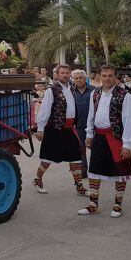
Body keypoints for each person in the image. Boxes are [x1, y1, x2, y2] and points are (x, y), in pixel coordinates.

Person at [81, 64, 131, 218]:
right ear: (99, 76)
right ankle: (93, 204)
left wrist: (127, 144)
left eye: (110, 75)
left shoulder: (125, 95)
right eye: (104, 75)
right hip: (98, 137)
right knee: (94, 170)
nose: (107, 79)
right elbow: (91, 115)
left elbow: (129, 121)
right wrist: (89, 134)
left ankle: (118, 205)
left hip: (116, 138)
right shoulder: (95, 94)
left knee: (120, 172)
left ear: (116, 77)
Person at [32, 64, 86, 196]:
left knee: (76, 158)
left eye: (67, 73)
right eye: (62, 73)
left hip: (69, 129)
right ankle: (37, 180)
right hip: (55, 129)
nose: (65, 75)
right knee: (48, 158)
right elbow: (44, 110)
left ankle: (79, 186)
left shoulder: (73, 89)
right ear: (57, 75)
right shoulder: (52, 90)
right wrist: (40, 129)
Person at [71, 69, 95, 189]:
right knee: (81, 149)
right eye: (76, 78)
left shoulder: (94, 90)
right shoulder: (71, 92)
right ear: (73, 80)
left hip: (94, 125)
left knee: (95, 148)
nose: (78, 80)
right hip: (78, 125)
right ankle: (83, 171)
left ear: (85, 78)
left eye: (81, 77)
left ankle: (97, 171)